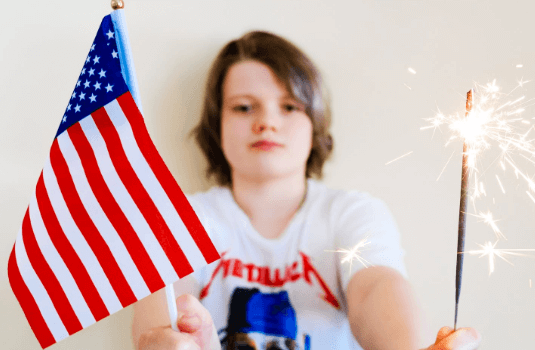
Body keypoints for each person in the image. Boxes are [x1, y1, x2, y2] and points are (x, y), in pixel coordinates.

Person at [131, 31, 480, 350]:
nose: (266, 121)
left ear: (314, 124)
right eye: (243, 106)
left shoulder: (351, 215)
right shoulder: (179, 219)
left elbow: (376, 288)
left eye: (289, 106)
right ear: (216, 124)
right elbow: (156, 328)